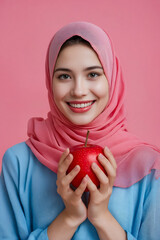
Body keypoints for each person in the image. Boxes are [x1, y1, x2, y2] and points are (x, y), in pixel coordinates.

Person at [0, 21, 160, 240]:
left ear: (112, 78)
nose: (78, 90)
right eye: (64, 76)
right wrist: (69, 219)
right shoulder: (18, 163)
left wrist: (102, 217)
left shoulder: (149, 167)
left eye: (93, 74)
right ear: (50, 80)